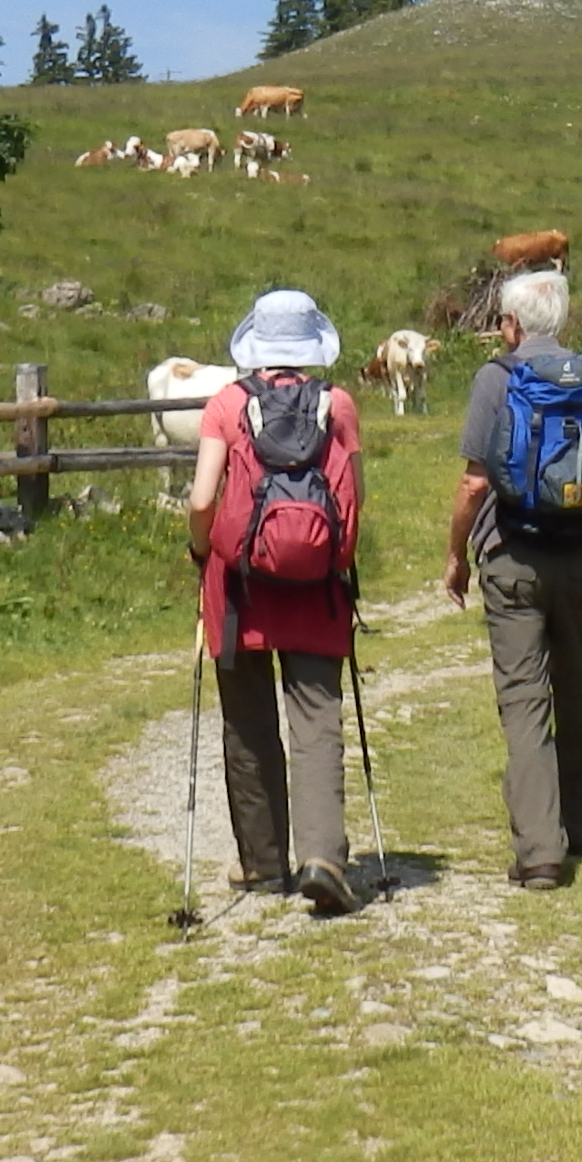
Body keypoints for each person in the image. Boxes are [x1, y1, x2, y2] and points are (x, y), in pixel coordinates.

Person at [443, 265, 582, 889]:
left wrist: (457, 556)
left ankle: (540, 851)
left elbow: (474, 481)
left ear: (511, 326)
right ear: (559, 322)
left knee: (524, 700)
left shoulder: (497, 379)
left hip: (512, 557)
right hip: (581, 559)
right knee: (575, 685)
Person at [186, 288, 367, 917]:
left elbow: (203, 499)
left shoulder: (227, 405)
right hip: (316, 585)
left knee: (249, 722)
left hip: (240, 587)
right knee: (316, 721)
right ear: (312, 345)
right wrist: (334, 559)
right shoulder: (337, 404)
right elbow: (355, 497)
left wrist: (198, 550)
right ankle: (322, 857)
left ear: (255, 344)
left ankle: (263, 865)